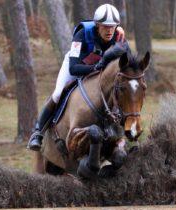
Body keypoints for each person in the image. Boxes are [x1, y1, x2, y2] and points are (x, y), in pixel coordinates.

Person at [28, 3, 130, 151]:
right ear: (97, 25)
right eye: (105, 26)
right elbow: (74, 68)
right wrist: (95, 67)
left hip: (99, 73)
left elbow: (129, 64)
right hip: (77, 66)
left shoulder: (119, 37)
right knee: (58, 93)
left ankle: (128, 133)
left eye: (112, 26)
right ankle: (37, 133)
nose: (109, 30)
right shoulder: (82, 34)